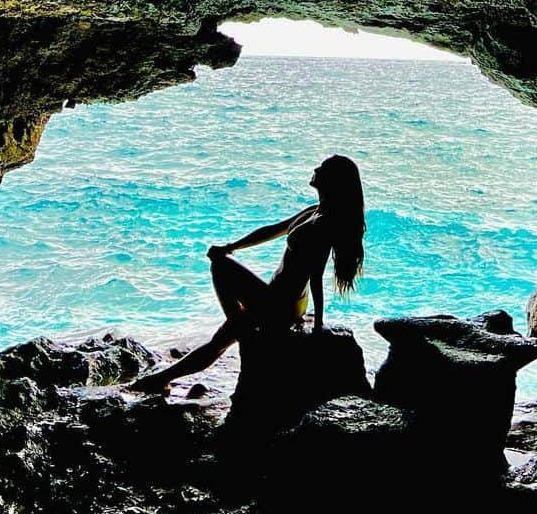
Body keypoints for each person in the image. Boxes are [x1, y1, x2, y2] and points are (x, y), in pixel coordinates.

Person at [129, 153, 366, 392]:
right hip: (279, 299)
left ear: (333, 180)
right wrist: (232, 247)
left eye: (323, 168)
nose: (316, 168)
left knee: (221, 266)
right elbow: (273, 230)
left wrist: (318, 327)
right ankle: (163, 379)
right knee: (220, 339)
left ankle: (240, 331)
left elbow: (316, 274)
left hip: (281, 305)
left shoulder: (325, 222)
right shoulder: (313, 211)